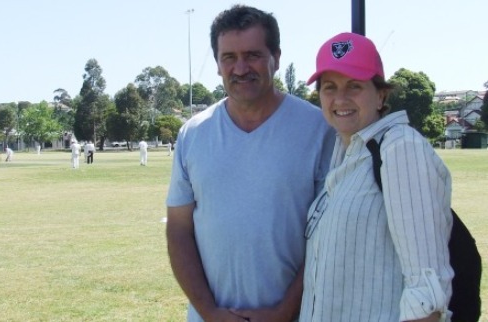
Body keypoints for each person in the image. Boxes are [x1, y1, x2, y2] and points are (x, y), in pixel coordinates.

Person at [166, 5, 334, 322]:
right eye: (229, 57)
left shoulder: (318, 129)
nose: (240, 68)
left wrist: (284, 312)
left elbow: (329, 237)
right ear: (217, 64)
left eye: (253, 55)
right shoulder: (193, 134)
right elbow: (178, 231)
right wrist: (210, 312)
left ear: (276, 57)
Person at [300, 32, 453, 321]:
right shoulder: (344, 152)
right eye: (329, 87)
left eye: (354, 86)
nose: (340, 98)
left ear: (380, 94)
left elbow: (427, 291)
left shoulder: (400, 148)